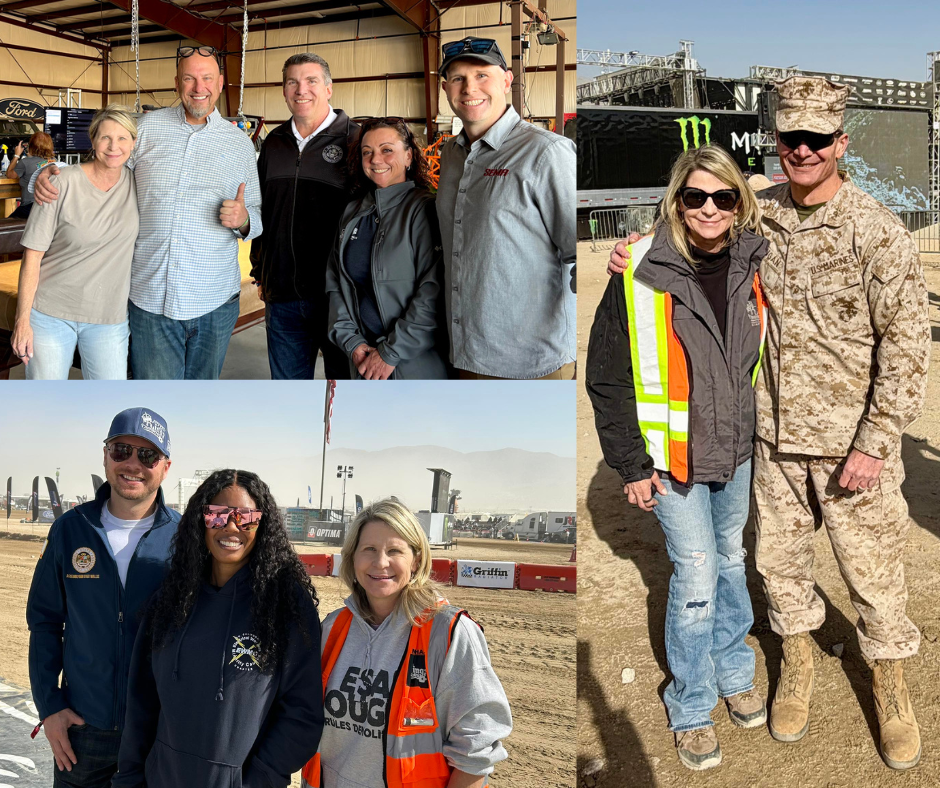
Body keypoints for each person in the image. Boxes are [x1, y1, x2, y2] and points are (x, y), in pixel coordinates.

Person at [607, 76, 931, 770]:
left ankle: (890, 680)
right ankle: (799, 660)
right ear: (777, 142)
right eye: (792, 138)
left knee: (873, 576)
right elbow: (693, 228)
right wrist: (634, 249)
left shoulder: (878, 231)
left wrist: (875, 444)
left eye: (819, 138)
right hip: (771, 444)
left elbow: (907, 347)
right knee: (780, 571)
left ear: (841, 142)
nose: (804, 150)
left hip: (852, 449)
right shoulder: (757, 215)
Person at [587, 144, 769, 771]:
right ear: (677, 200)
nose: (709, 209)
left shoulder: (758, 258)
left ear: (739, 202)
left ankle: (733, 666)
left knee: (732, 559)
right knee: (695, 572)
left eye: (724, 196)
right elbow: (607, 377)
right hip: (673, 462)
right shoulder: (637, 267)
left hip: (737, 451)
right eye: (695, 197)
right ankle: (691, 704)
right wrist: (632, 467)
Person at [35, 46, 262, 380]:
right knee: (154, 400)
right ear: (176, 83)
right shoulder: (147, 129)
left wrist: (243, 220)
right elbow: (102, 172)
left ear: (220, 83)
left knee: (200, 404)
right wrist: (48, 174)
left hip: (213, 302)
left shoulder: (239, 144)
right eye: (189, 78)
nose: (198, 86)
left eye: (207, 78)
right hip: (149, 302)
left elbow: (256, 214)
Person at [113, 469, 323, 787]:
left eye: (246, 516)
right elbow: (142, 700)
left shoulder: (285, 604)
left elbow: (301, 713)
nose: (231, 526)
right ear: (202, 520)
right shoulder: (171, 598)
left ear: (262, 523)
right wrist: (129, 778)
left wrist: (255, 780)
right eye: (218, 514)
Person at [301, 498, 511, 788]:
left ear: (416, 560)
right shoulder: (332, 628)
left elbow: (475, 753)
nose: (381, 562)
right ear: (352, 558)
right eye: (369, 549)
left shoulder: (448, 633)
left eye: (395, 550)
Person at [26, 407, 179, 788]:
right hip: (83, 731)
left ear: (165, 466)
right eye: (121, 450)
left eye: (147, 455)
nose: (133, 464)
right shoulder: (70, 530)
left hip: (159, 733)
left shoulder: (186, 538)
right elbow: (44, 621)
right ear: (106, 454)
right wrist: (50, 707)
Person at [436, 37, 576, 380]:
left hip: (529, 363)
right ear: (445, 88)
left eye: (482, 75)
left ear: (507, 80)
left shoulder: (545, 153)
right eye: (458, 78)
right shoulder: (452, 155)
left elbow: (576, 254)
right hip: (465, 353)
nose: (470, 88)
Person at [250, 53, 358, 380]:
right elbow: (261, 208)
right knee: (289, 398)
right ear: (283, 91)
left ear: (328, 88)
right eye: (292, 82)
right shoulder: (273, 144)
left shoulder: (355, 140)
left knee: (344, 397)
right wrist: (260, 269)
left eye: (311, 81)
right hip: (281, 294)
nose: (301, 90)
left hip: (337, 299)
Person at [11, 105, 138, 380]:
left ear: (133, 143)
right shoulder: (61, 182)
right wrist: (22, 321)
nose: (113, 146)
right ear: (92, 141)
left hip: (109, 319)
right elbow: (32, 255)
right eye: (105, 137)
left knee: (108, 405)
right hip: (51, 314)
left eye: (122, 138)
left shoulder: (140, 184)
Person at [325, 117, 448, 380]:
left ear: (409, 156)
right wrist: (352, 343)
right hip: (362, 361)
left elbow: (434, 292)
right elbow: (336, 283)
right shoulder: (353, 212)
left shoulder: (424, 210)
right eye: (367, 152)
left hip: (413, 364)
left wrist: (391, 352)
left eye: (387, 150)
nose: (375, 159)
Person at [4, 132, 55, 219]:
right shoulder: (53, 162)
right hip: (49, 207)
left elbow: (10, 174)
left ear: (31, 146)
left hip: (30, 207)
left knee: (5, 226)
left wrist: (16, 155)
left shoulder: (25, 162)